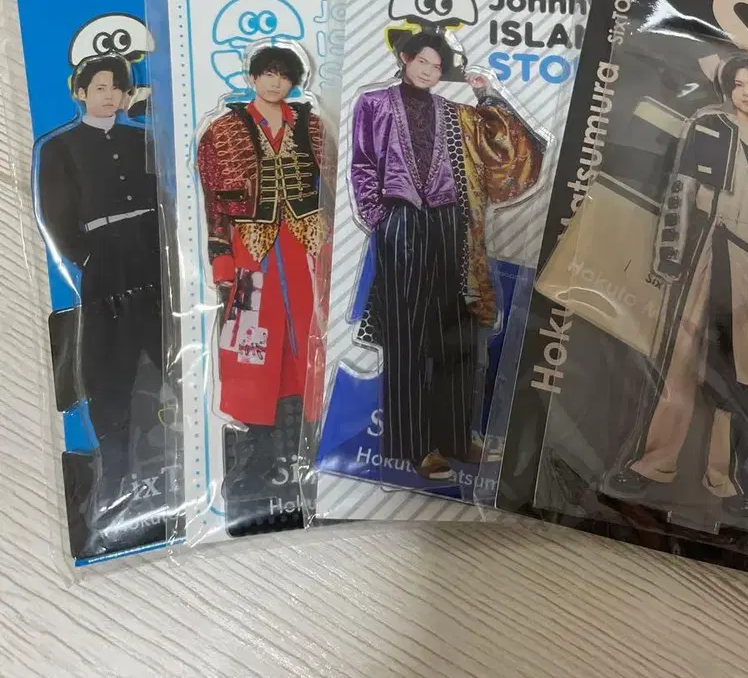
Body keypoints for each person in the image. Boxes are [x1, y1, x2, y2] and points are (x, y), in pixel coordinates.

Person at [611, 51, 748, 520]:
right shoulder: (706, 127)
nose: (746, 92)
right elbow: (680, 193)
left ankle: (727, 478)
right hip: (706, 249)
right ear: (728, 89)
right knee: (679, 360)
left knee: (743, 375)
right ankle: (653, 462)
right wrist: (670, 253)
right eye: (738, 83)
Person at [350, 31, 545, 480]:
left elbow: (505, 145)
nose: (428, 72)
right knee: (406, 335)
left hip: (452, 224)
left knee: (459, 329)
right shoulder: (374, 104)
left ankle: (458, 439)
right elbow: (362, 164)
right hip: (400, 222)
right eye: (422, 62)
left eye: (437, 67)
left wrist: (486, 93)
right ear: (405, 58)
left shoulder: (455, 112)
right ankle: (414, 447)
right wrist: (379, 217)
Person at [36, 53, 163, 551]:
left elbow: (166, 195)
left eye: (119, 88)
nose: (110, 96)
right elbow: (56, 215)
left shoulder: (143, 139)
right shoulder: (60, 147)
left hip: (154, 257)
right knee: (109, 372)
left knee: (172, 356)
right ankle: (116, 484)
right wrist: (89, 256)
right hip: (104, 266)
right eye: (100, 87)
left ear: (129, 96)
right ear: (81, 92)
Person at [197, 44, 324, 496]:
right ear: (252, 78)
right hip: (250, 248)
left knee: (310, 332)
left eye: (283, 75)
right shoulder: (223, 131)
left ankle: (316, 435)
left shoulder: (312, 126)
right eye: (267, 74)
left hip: (307, 245)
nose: (275, 82)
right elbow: (215, 204)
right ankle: (258, 444)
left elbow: (335, 185)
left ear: (293, 82)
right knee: (250, 338)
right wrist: (221, 260)